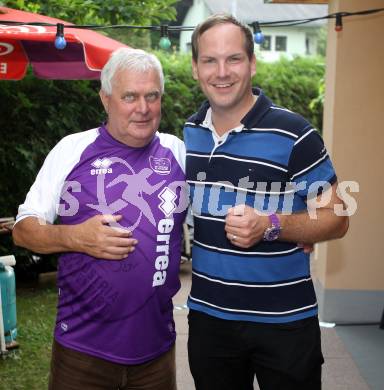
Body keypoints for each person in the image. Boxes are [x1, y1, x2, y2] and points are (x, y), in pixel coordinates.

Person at [183, 14, 349, 390]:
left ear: (252, 63)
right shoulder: (190, 133)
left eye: (234, 59)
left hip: (285, 324)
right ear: (195, 68)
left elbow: (338, 217)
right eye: (209, 60)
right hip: (209, 321)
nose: (221, 72)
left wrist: (274, 225)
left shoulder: (295, 133)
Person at [13, 48, 186, 390]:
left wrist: (280, 225)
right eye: (130, 96)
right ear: (106, 99)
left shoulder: (177, 151)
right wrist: (76, 238)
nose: (143, 108)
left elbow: (217, 209)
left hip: (156, 352)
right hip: (83, 354)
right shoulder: (72, 150)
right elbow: (23, 230)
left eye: (152, 96)